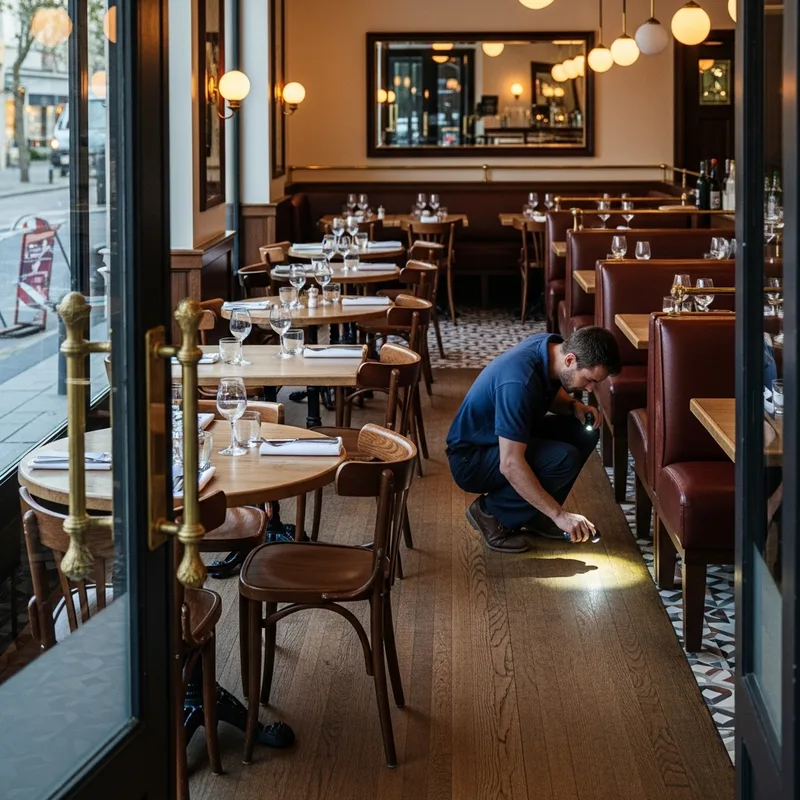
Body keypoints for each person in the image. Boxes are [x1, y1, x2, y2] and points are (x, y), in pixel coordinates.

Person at [446, 327, 622, 553]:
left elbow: (546, 393)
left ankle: (533, 513)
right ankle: (491, 513)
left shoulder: (550, 349)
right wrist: (559, 514)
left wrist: (573, 406)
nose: (590, 388)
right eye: (589, 379)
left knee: (582, 431)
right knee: (562, 459)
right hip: (471, 460)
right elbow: (510, 464)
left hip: (501, 440)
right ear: (570, 359)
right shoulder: (518, 382)